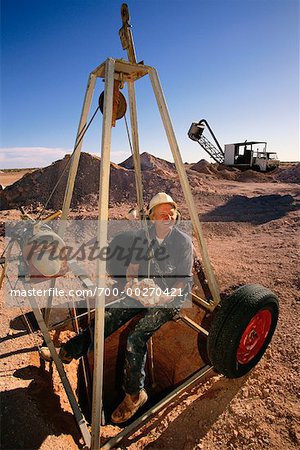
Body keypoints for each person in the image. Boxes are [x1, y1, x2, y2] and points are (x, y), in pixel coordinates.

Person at [45, 192, 193, 423]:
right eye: (162, 213)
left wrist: (166, 297)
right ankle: (67, 352)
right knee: (109, 318)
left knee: (136, 338)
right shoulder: (144, 237)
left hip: (171, 296)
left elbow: (183, 281)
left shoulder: (183, 242)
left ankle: (134, 395)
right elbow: (133, 266)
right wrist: (134, 283)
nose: (168, 217)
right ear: (151, 218)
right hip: (147, 289)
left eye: (171, 213)